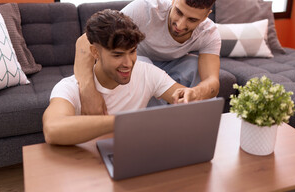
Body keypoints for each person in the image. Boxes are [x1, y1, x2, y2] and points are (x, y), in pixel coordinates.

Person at [43, 9, 199, 145]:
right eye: (117, 55)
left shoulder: (146, 73)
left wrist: (189, 97)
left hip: (130, 156)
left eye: (132, 51)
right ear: (95, 52)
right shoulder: (69, 87)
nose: (128, 63)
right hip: (86, 166)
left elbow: (186, 98)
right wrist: (125, 121)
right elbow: (52, 129)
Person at [75, 0, 220, 115]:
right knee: (142, 64)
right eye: (178, 12)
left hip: (172, 68)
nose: (180, 25)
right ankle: (148, 123)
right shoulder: (145, 10)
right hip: (139, 65)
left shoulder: (209, 32)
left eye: (192, 20)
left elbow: (212, 81)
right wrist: (88, 91)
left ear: (206, 15)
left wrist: (196, 92)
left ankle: (195, 122)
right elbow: (84, 42)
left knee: (193, 65)